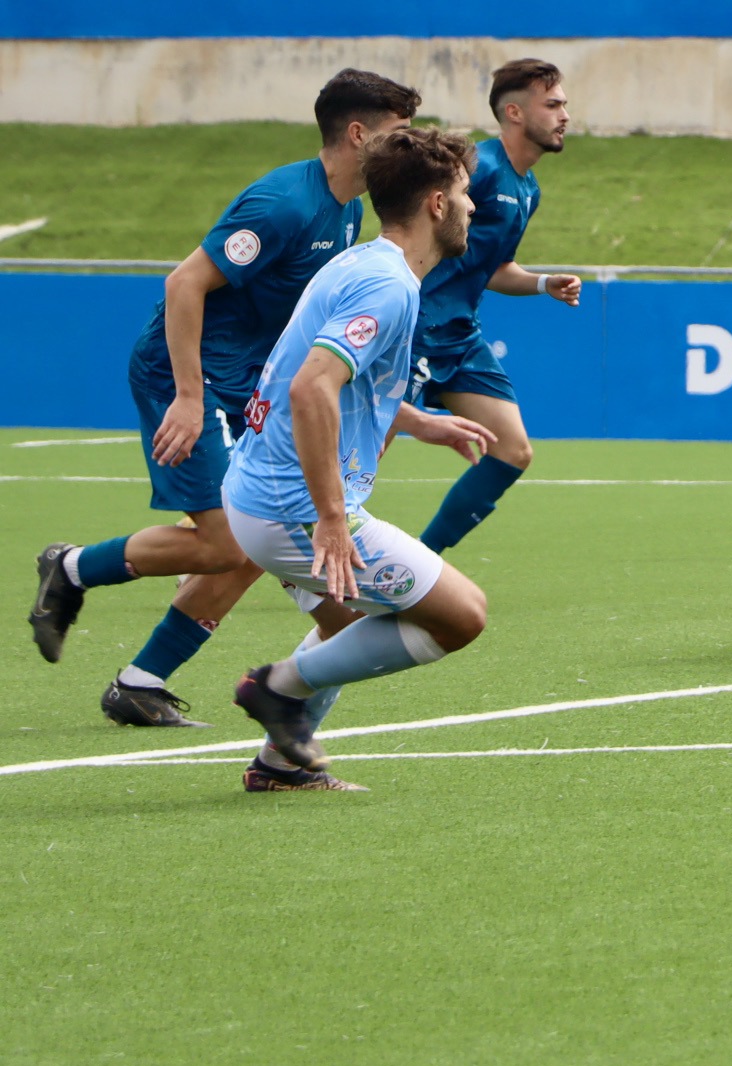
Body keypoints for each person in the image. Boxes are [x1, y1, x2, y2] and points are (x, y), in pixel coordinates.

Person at [25, 69, 415, 728]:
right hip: (186, 372)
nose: (406, 147)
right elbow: (184, 285)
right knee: (227, 544)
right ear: (358, 134)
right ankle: (71, 568)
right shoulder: (284, 204)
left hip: (245, 382)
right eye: (397, 134)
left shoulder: (349, 211)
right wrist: (186, 395)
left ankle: (141, 681)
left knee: (252, 543)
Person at [222, 127, 499, 791]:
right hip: (289, 503)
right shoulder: (388, 285)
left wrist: (414, 421)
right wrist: (331, 517)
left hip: (260, 492)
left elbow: (330, 379)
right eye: (463, 194)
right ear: (435, 203)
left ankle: (281, 766)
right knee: (462, 615)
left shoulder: (361, 263)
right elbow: (311, 383)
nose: (472, 208)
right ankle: (277, 689)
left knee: (350, 627)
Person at [408, 59, 582, 555]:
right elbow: (411, 227)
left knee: (513, 449)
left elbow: (495, 268)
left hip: (459, 334)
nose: (565, 114)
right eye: (552, 104)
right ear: (513, 112)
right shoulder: (478, 167)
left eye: (564, 103)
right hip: (413, 325)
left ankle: (420, 563)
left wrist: (544, 283)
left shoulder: (528, 189)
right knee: (359, 453)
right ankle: (245, 542)